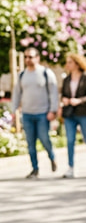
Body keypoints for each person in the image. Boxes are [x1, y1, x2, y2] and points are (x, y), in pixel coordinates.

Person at [12, 46, 59, 179]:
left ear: (37, 58)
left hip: (43, 113)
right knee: (30, 144)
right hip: (27, 114)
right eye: (26, 57)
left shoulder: (46, 73)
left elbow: (53, 93)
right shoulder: (22, 75)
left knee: (44, 139)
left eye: (30, 57)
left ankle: (52, 157)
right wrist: (14, 110)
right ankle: (35, 169)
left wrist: (53, 110)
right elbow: (17, 93)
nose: (28, 59)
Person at [60, 53, 86, 178]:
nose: (68, 65)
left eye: (70, 62)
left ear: (77, 64)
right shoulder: (66, 79)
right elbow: (63, 94)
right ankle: (71, 167)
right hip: (69, 114)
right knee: (70, 141)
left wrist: (79, 100)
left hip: (84, 113)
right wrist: (65, 100)